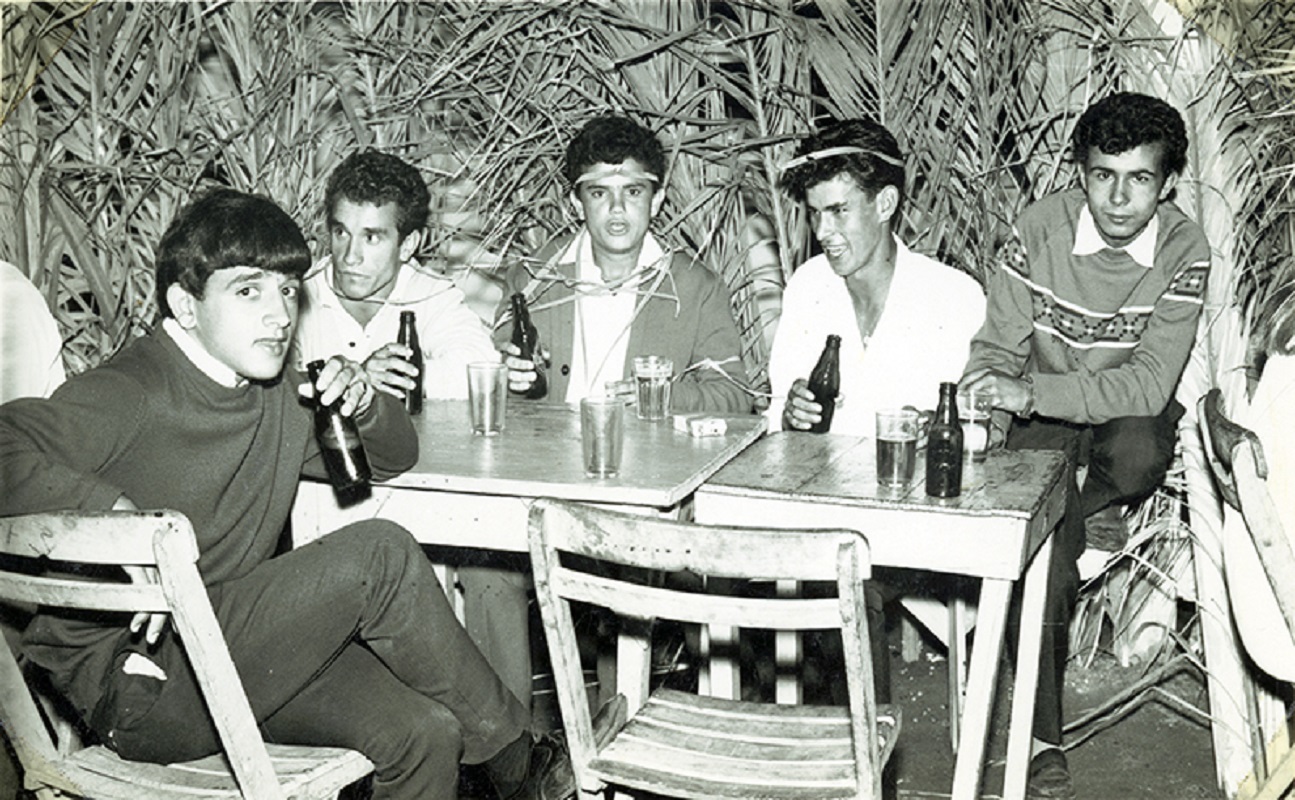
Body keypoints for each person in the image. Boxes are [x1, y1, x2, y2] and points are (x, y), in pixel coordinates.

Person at [0, 188, 575, 800]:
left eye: (287, 290)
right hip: (142, 680)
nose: (278, 314)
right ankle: (518, 765)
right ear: (185, 305)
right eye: (248, 290)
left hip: (229, 649)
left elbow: (395, 457)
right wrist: (117, 522)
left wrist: (365, 404)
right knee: (380, 553)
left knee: (425, 733)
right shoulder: (134, 387)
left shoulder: (274, 392)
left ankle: (510, 765)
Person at [960, 92, 1211, 799]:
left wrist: (1032, 396)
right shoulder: (1038, 228)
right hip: (1040, 416)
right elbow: (996, 348)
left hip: (1112, 420)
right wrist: (984, 396)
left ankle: (1073, 501)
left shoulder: (1184, 248)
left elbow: (1145, 385)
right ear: (1080, 172)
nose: (1118, 197)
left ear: (1166, 185)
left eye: (1138, 179)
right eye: (1102, 175)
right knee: (1053, 559)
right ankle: (1042, 739)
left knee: (1135, 455)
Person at [290, 150, 532, 712]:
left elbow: (480, 371)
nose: (349, 256)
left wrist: (384, 383)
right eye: (340, 233)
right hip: (319, 515)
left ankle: (510, 752)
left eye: (373, 238)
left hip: (418, 502)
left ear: (410, 244)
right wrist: (340, 377)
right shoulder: (297, 296)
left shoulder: (433, 297)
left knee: (489, 576)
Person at [769, 117, 986, 710]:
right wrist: (792, 412)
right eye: (815, 215)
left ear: (886, 203)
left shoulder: (953, 296)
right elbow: (779, 427)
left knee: (843, 580)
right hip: (823, 516)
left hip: (915, 524)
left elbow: (982, 433)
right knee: (797, 571)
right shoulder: (809, 288)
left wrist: (932, 428)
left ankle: (861, 761)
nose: (824, 232)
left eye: (839, 212)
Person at [495, 114, 753, 413]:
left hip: (651, 457)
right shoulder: (531, 277)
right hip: (548, 454)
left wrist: (663, 397)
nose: (617, 209)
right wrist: (513, 379)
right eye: (599, 193)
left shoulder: (697, 286)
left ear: (656, 201)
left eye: (633, 192)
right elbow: (496, 382)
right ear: (578, 204)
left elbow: (735, 396)